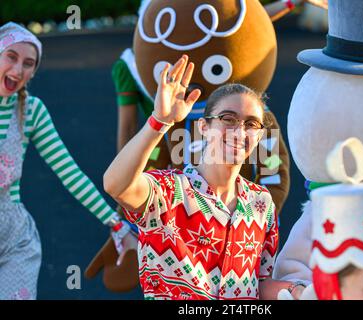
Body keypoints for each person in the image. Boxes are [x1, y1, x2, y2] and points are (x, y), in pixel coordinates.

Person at [104, 55, 302, 300]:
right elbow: (115, 184)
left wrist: (298, 291)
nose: (240, 131)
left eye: (251, 123)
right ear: (204, 128)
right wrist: (159, 122)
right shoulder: (168, 192)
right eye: (228, 119)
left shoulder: (261, 203)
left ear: (260, 136)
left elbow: (257, 284)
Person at [0, 22, 133, 300]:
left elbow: (69, 173)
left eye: (28, 63)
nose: (18, 70)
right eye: (11, 57)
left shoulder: (31, 111)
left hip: (14, 239)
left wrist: (116, 224)